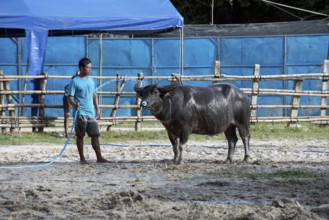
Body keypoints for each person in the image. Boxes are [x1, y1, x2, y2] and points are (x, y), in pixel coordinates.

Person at [67, 57, 109, 164]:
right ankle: (82, 158)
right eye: (88, 67)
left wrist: (97, 109)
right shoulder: (74, 81)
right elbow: (70, 97)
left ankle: (99, 157)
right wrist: (74, 105)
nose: (89, 69)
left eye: (90, 67)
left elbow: (94, 95)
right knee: (80, 136)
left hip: (91, 113)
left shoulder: (91, 80)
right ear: (81, 67)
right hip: (80, 113)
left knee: (95, 135)